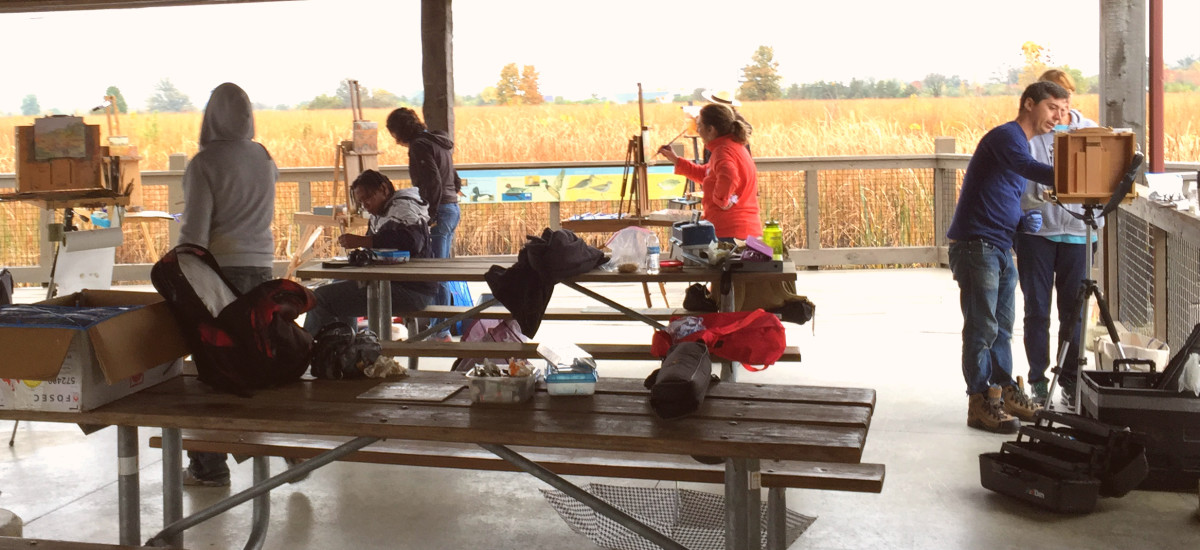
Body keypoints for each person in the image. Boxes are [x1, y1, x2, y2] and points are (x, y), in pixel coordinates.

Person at [946, 80, 1069, 434]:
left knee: (1001, 328)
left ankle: (1004, 390)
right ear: (1029, 104)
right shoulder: (1007, 137)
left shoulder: (1020, 144)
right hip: (976, 244)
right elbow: (1026, 167)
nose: (1056, 116)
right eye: (1051, 108)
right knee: (982, 326)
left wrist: (1019, 218)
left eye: (1062, 110)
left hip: (1000, 244)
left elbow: (1000, 195)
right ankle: (980, 400)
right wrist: (1075, 174)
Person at [178, 82, 278, 487]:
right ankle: (282, 447)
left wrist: (178, 270)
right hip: (262, 270)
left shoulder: (204, 164)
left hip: (220, 273)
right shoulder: (264, 158)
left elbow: (196, 233)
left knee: (214, 367)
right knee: (257, 359)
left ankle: (209, 466)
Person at [1016, 70, 1100, 408]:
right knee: (1036, 310)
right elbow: (1016, 186)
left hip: (1079, 234)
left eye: (1064, 100)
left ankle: (1070, 381)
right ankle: (1038, 379)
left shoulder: (1091, 131)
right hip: (1037, 235)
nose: (1058, 112)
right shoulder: (1027, 136)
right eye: (1052, 104)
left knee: (1074, 313)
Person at [302, 169, 438, 336]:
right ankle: (346, 348)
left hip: (411, 290)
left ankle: (307, 351)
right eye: (361, 202)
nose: (365, 205)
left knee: (321, 298)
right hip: (395, 284)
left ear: (383, 189)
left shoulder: (403, 208)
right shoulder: (381, 212)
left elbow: (412, 243)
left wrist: (363, 241)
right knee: (338, 285)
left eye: (368, 198)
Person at [385, 108, 461, 338]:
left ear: (400, 131)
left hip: (440, 210)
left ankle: (441, 330)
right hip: (452, 207)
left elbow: (432, 181)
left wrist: (431, 213)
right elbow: (454, 179)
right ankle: (441, 327)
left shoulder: (419, 145)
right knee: (440, 270)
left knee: (434, 272)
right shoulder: (438, 141)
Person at [658, 103, 761, 241]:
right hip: (745, 230)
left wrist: (721, 200)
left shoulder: (722, 151)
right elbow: (706, 174)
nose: (698, 131)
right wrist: (675, 160)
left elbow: (729, 176)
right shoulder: (734, 146)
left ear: (711, 129)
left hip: (729, 232)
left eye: (699, 126)